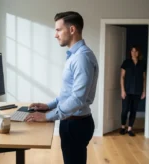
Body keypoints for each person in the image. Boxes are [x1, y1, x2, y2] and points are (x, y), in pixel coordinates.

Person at [24, 11, 99, 164]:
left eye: (58, 30)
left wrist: (46, 116)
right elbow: (69, 94)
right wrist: (48, 106)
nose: (55, 35)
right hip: (73, 122)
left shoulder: (81, 58)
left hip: (75, 125)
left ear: (72, 30)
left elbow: (77, 99)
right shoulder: (75, 55)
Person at [120, 46, 146, 136]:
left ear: (138, 53)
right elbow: (122, 77)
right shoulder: (126, 63)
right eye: (132, 51)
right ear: (130, 52)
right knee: (125, 110)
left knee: (133, 110)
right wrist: (122, 90)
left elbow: (144, 78)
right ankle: (123, 127)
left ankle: (130, 128)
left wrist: (144, 91)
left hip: (137, 91)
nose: (133, 53)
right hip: (127, 90)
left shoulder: (142, 64)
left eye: (135, 51)